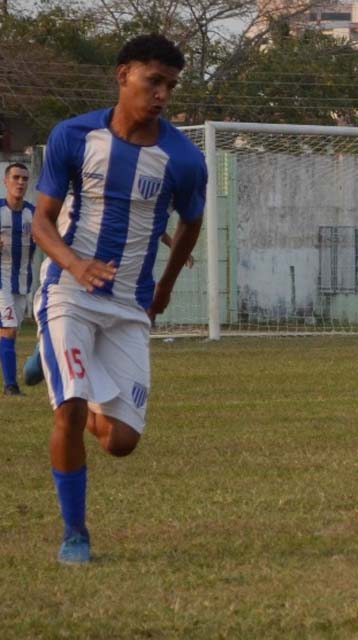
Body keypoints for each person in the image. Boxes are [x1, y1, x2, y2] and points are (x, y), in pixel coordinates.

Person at [31, 33, 207, 565]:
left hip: (129, 305)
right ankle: (75, 534)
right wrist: (75, 264)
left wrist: (166, 287)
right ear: (123, 75)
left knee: (122, 441)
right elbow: (42, 220)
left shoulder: (183, 158)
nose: (162, 95)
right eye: (153, 81)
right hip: (69, 293)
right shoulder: (73, 136)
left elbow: (191, 226)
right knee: (70, 409)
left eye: (170, 86)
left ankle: (56, 366)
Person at [21, 230, 194, 388]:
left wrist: (174, 245)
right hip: (70, 283)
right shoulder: (73, 206)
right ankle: (45, 350)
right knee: (33, 373)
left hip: (121, 282)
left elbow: (152, 218)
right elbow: (45, 223)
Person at [0, 163, 36, 396]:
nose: (20, 182)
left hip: (23, 283)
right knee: (9, 330)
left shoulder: (33, 213)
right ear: (6, 181)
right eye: (15, 177)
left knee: (9, 331)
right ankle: (11, 386)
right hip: (1, 281)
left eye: (24, 178)